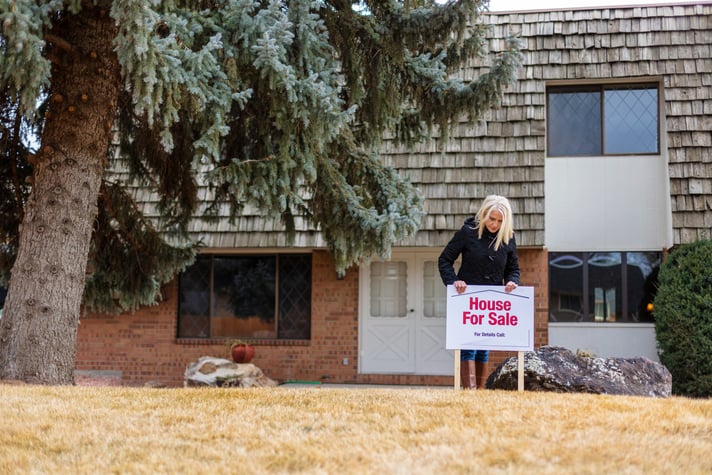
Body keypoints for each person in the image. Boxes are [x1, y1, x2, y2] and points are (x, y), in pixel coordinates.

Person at [438, 195, 520, 389]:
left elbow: (513, 268)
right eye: (492, 219)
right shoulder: (468, 233)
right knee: (469, 347)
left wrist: (512, 282)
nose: (495, 224)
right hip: (467, 299)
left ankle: (480, 391)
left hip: (492, 303)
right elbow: (444, 260)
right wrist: (453, 281)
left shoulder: (508, 237)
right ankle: (469, 390)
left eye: (500, 221)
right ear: (484, 214)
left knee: (483, 347)